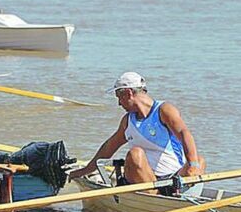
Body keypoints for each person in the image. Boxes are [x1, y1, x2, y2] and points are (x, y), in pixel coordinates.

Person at [69, 72, 205, 193]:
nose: (119, 103)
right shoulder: (127, 121)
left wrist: (193, 165)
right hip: (146, 181)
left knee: (199, 160)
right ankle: (155, 195)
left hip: (173, 178)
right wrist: (84, 171)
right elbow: (108, 148)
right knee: (135, 154)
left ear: (128, 93)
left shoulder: (164, 110)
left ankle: (173, 192)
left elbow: (184, 133)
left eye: (119, 97)